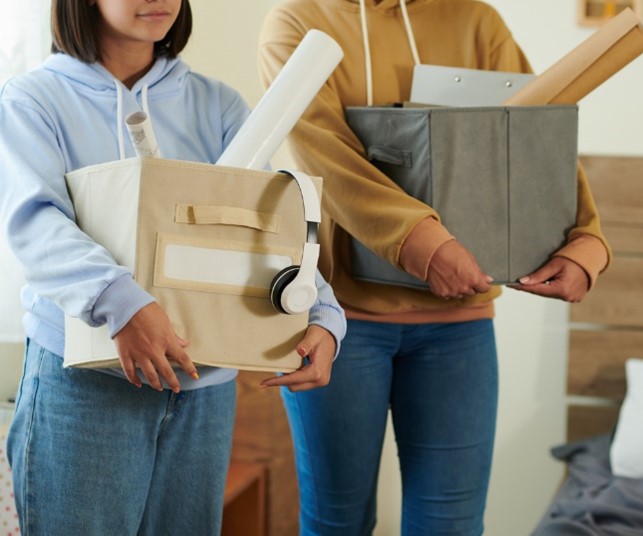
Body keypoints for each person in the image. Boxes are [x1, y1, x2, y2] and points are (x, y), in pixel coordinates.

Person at [258, 0, 611, 534]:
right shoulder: (297, 20)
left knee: (451, 525)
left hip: (457, 327)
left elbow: (537, 132)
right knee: (337, 523)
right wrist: (423, 243)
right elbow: (320, 151)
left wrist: (586, 241)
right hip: (334, 321)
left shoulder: (477, 21)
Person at [0, 0, 346, 534]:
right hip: (86, 387)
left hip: (202, 388)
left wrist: (322, 312)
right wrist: (123, 303)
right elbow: (36, 224)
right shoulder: (33, 100)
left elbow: (268, 222)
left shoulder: (218, 105)